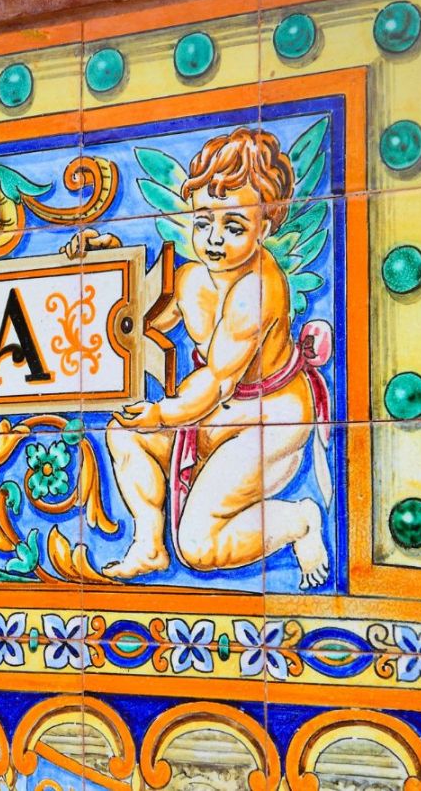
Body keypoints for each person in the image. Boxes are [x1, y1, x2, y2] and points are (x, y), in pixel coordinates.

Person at [62, 128, 331, 589]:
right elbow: (136, 318)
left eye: (234, 227)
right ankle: (148, 545)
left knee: (199, 547)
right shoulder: (191, 277)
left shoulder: (256, 292)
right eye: (204, 222)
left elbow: (219, 379)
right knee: (125, 434)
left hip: (269, 418)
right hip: (213, 414)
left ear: (265, 229)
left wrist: (162, 414)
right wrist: (105, 264)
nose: (214, 239)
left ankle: (299, 522)